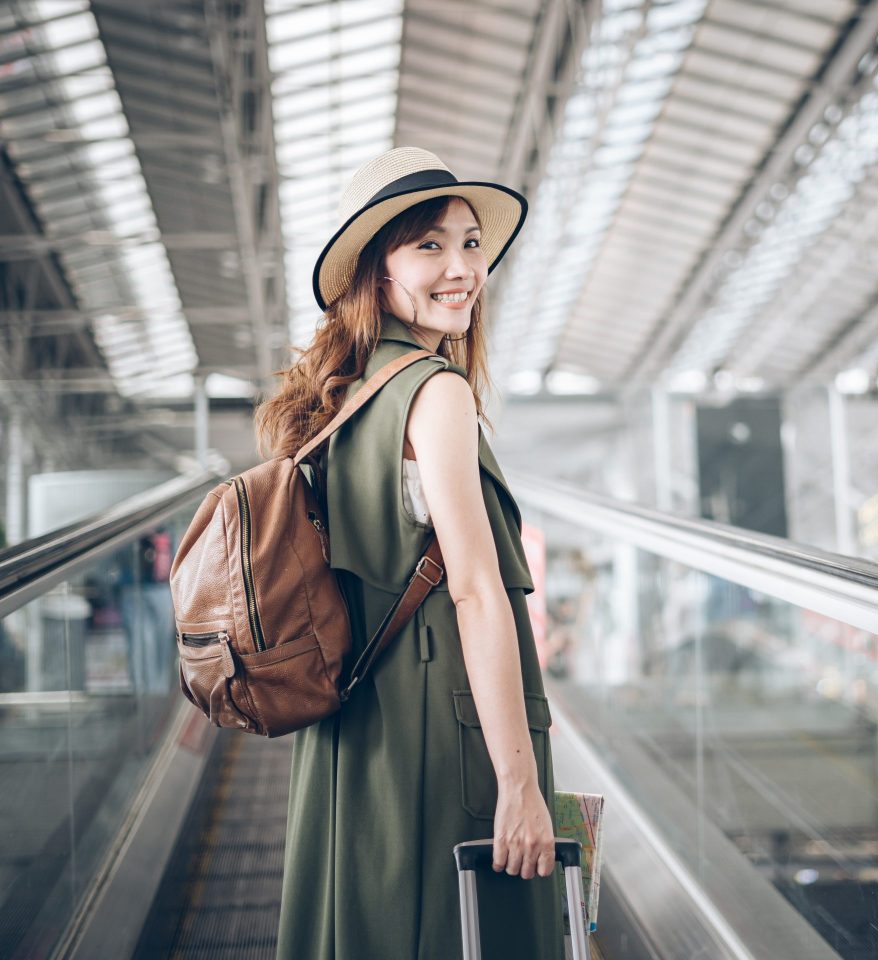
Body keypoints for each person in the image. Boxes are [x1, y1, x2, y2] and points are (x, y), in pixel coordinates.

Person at [255, 147, 562, 958]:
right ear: (377, 273)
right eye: (428, 245)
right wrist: (521, 783)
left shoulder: (343, 399)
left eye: (469, 242)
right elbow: (475, 592)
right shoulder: (437, 392)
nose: (461, 266)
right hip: (440, 731)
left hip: (354, 734)